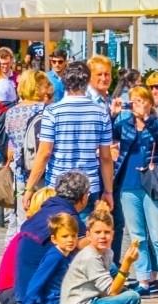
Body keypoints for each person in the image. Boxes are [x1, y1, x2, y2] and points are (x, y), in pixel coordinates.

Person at [111, 81, 158, 297]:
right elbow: (110, 134)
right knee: (137, 236)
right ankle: (144, 279)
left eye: (141, 101)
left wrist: (147, 118)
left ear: (149, 103)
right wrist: (112, 115)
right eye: (135, 101)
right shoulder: (125, 125)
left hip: (154, 184)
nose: (137, 105)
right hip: (129, 183)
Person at [0, 173, 94, 304]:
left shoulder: (43, 212)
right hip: (32, 299)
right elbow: (86, 251)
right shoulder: (68, 219)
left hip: (16, 291)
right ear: (84, 197)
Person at [30, 62, 116, 202]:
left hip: (58, 183)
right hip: (88, 185)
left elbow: (45, 153)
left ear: (64, 81)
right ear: (87, 81)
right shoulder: (101, 112)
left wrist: (29, 188)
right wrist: (108, 191)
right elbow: (106, 157)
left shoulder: (52, 111)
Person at [55, 213, 144, 304]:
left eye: (107, 232)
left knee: (126, 294)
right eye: (97, 232)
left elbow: (113, 288)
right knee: (132, 298)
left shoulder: (107, 253)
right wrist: (127, 263)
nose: (102, 236)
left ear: (113, 234)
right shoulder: (90, 257)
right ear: (88, 235)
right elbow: (112, 291)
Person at [13, 212, 81, 304]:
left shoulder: (70, 255)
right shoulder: (55, 256)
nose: (70, 240)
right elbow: (37, 282)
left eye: (73, 236)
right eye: (65, 236)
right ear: (54, 239)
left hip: (66, 302)